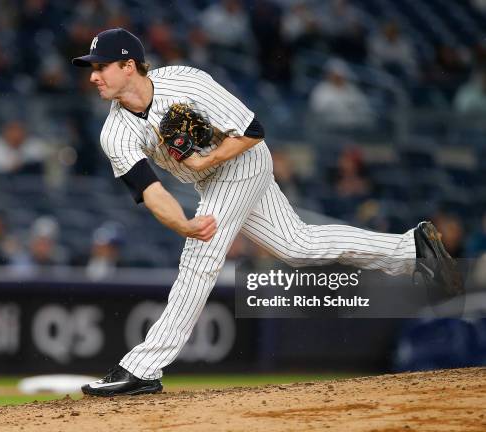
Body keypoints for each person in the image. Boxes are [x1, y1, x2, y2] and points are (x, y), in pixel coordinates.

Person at [72, 28, 463, 397]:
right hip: (209, 182)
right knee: (298, 245)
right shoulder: (115, 133)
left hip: (243, 160)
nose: (93, 77)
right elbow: (151, 190)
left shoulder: (185, 82)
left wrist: (203, 160)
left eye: (100, 66)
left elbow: (253, 130)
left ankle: (143, 368)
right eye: (92, 67)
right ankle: (414, 248)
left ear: (128, 65)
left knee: (200, 259)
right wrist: (182, 223)